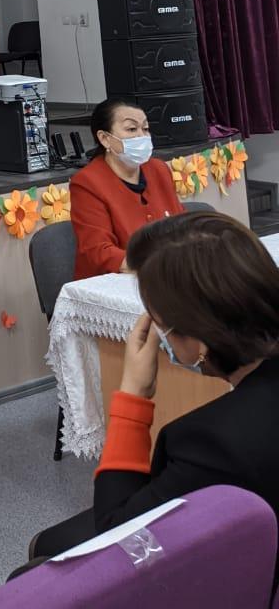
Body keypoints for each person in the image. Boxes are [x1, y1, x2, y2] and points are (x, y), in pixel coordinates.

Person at [26, 212, 279, 576]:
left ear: (198, 341)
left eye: (158, 322)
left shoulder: (211, 442)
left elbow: (118, 533)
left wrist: (133, 394)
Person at [70, 97, 183, 278]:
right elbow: (98, 251)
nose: (142, 136)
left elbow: (182, 227)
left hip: (168, 275)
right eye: (132, 129)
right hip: (116, 280)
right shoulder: (87, 182)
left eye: (145, 129)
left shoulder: (158, 169)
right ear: (105, 139)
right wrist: (156, 265)